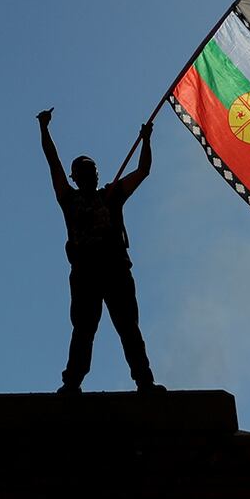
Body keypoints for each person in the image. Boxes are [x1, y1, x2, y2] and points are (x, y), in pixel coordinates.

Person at [38, 107, 163, 394]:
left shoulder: (112, 195)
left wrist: (146, 140)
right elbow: (52, 162)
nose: (89, 175)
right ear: (75, 177)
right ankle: (72, 382)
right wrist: (44, 130)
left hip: (116, 270)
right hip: (85, 274)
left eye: (92, 170)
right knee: (83, 330)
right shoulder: (69, 200)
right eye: (83, 172)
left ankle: (144, 381)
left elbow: (142, 171)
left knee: (128, 328)